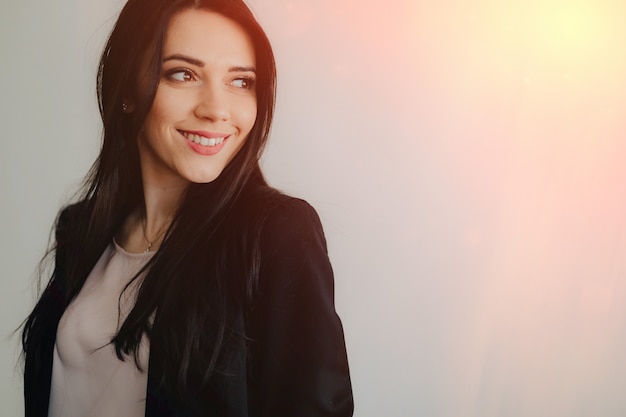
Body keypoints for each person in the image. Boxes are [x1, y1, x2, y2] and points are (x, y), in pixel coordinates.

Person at [21, 0, 353, 415]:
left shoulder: (275, 234)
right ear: (127, 88)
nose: (215, 109)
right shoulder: (81, 229)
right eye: (183, 74)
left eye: (240, 81)